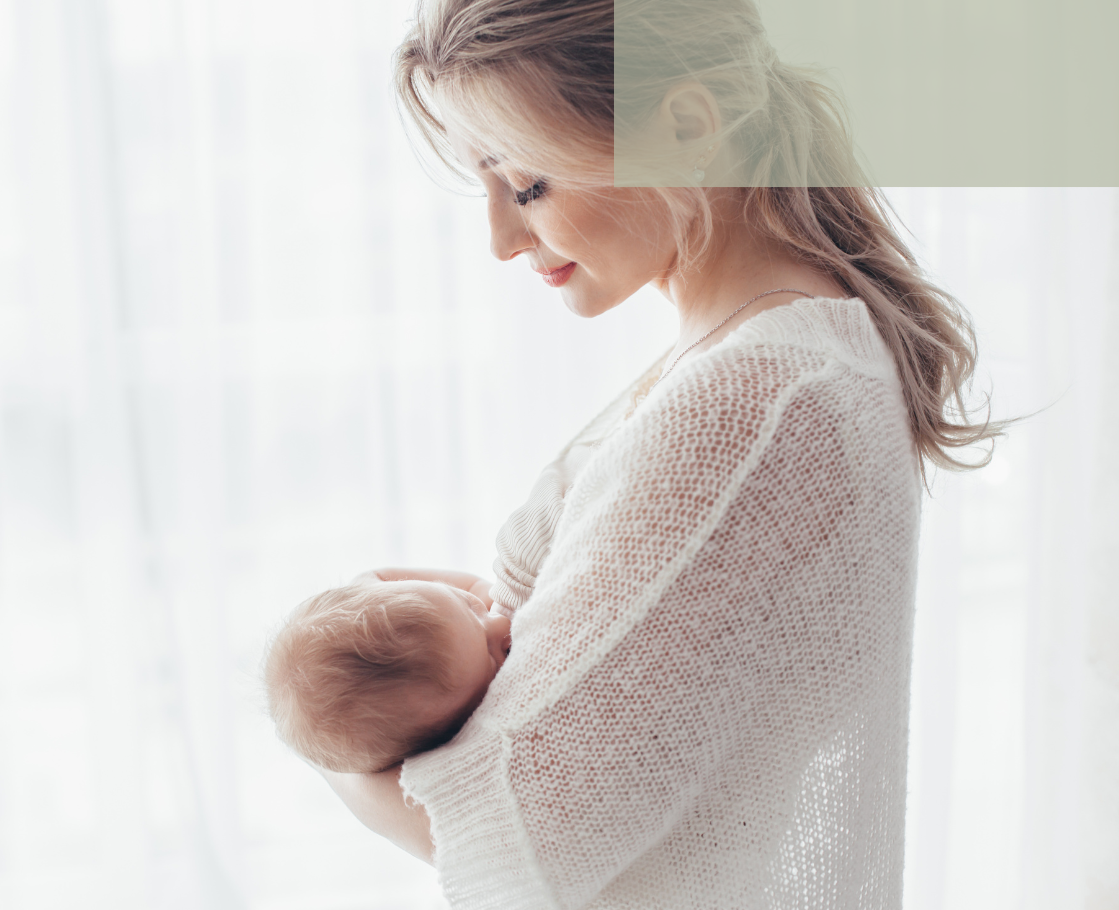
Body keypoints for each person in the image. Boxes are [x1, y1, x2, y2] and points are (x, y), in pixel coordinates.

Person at [315, 0, 1004, 907]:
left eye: (527, 186)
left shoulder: (757, 401)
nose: (500, 240)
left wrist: (326, 735)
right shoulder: (759, 353)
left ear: (685, 126)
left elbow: (528, 835)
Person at [262, 570, 512, 775]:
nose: (502, 623)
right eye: (491, 658)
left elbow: (476, 586)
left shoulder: (378, 584)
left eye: (469, 605)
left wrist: (483, 595)